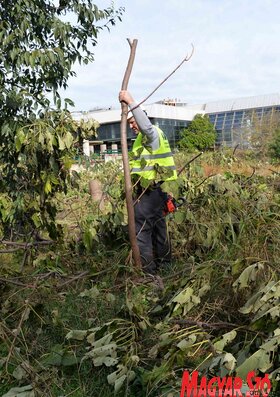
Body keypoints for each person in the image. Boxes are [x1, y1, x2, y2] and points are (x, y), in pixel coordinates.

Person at [119, 90, 177, 274]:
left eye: (133, 121)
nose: (132, 126)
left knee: (141, 229)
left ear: (142, 116)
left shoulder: (150, 135)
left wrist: (130, 101)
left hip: (150, 191)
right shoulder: (145, 138)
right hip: (159, 190)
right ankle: (166, 265)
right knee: (159, 227)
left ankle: (148, 272)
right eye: (129, 124)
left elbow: (146, 127)